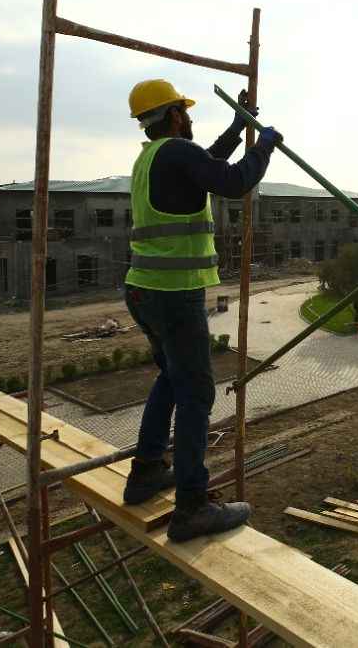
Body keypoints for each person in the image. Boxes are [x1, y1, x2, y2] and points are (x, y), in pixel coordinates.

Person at [120, 79, 282, 542]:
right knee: (196, 392)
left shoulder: (153, 157)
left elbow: (207, 164)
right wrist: (263, 147)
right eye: (185, 112)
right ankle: (192, 506)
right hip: (173, 294)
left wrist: (236, 129)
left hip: (142, 291)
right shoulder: (177, 153)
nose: (189, 119)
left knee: (173, 378)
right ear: (173, 116)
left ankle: (147, 471)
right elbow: (231, 181)